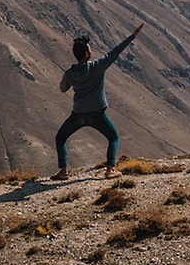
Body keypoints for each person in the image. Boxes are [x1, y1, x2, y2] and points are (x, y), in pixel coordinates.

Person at [51, 24, 144, 180]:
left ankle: (63, 171)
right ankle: (110, 170)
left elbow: (62, 89)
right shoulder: (98, 66)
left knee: (61, 138)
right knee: (113, 137)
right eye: (89, 48)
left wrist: (69, 79)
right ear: (87, 53)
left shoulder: (70, 73)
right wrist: (132, 36)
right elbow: (116, 51)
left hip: (78, 114)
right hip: (97, 114)